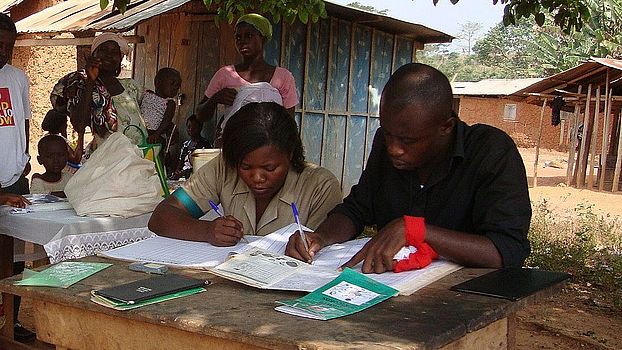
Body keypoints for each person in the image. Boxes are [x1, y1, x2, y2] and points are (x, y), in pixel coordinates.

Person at [285, 63, 532, 273]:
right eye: (388, 134)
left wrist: (416, 230)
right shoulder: (389, 145)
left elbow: (506, 251)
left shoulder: (491, 152)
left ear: (446, 126)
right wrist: (320, 237)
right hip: (391, 290)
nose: (394, 148)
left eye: (408, 141)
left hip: (464, 297)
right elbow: (357, 208)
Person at [149, 102, 342, 244]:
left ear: (290, 154)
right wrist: (208, 231)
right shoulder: (224, 168)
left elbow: (322, 249)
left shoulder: (320, 186)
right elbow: (162, 217)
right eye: (246, 167)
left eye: (270, 168)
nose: (257, 178)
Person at [196, 13, 298, 146]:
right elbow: (200, 115)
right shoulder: (225, 74)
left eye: (248, 36)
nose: (242, 41)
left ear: (263, 38)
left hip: (269, 147)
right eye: (238, 37)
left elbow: (288, 121)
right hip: (234, 147)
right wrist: (215, 99)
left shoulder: (283, 77)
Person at [51, 32, 147, 155]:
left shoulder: (131, 86)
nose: (108, 55)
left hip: (138, 158)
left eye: (114, 52)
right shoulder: (80, 84)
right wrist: (91, 81)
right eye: (103, 50)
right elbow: (79, 125)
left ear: (120, 59)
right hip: (105, 161)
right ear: (93, 54)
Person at [0, 12, 36, 342]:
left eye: (9, 47)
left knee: (14, 260)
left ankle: (10, 323)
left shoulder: (18, 77)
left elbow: (24, 121)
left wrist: (24, 157)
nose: (3, 52)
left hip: (13, 179)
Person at [169, 114, 211, 180]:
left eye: (194, 127)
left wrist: (184, 173)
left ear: (200, 128)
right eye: (189, 127)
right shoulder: (186, 144)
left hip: (196, 177)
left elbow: (203, 167)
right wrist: (177, 172)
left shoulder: (205, 144)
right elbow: (180, 163)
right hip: (182, 177)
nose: (191, 129)